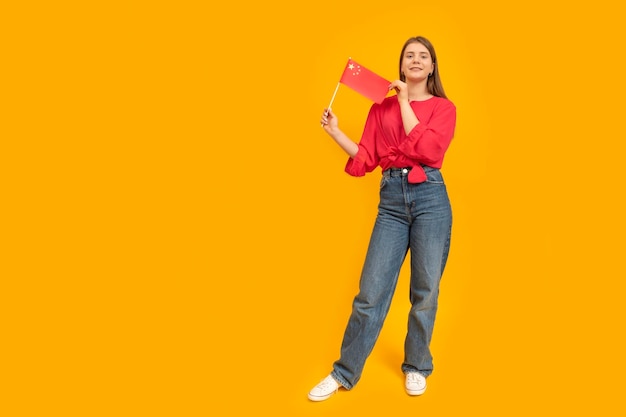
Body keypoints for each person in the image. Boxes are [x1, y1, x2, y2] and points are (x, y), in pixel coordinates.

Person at [308, 36, 456, 402]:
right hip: (391, 200)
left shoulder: (443, 108)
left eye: (424, 56)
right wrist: (335, 131)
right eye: (410, 55)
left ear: (432, 67)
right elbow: (366, 157)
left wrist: (405, 100)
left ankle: (417, 365)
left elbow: (429, 150)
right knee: (370, 294)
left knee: (425, 291)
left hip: (430, 199)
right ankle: (344, 371)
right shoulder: (381, 109)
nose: (416, 60)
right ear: (402, 64)